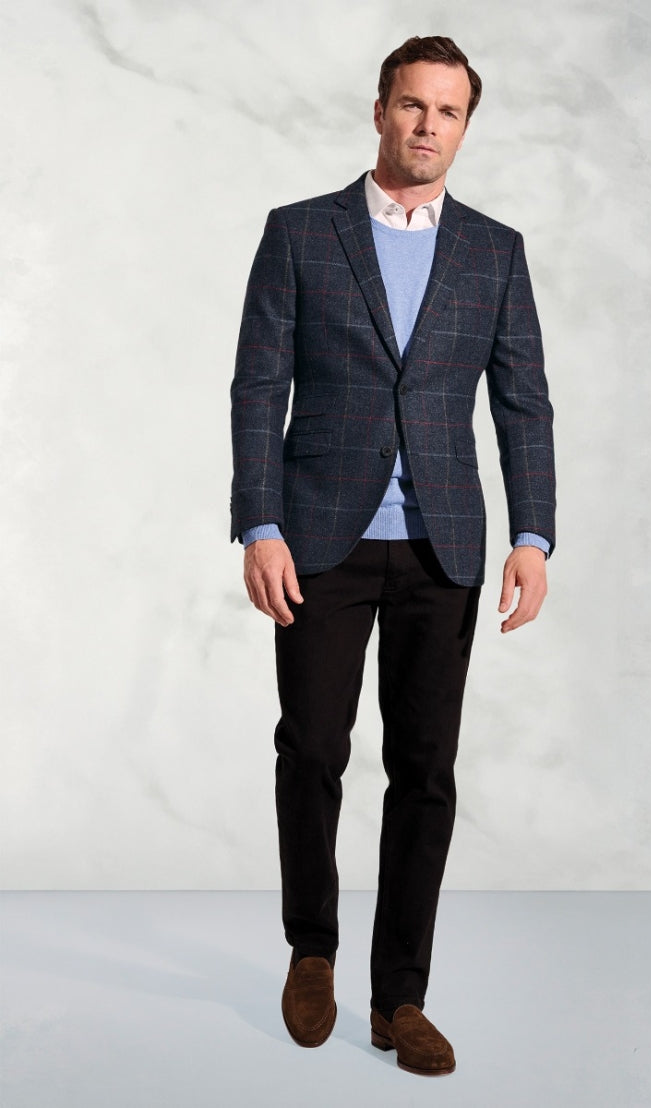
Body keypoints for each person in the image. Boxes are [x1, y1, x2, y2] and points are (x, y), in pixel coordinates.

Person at [230, 35, 555, 1077]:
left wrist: (533, 537)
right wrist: (259, 523)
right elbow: (257, 387)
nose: (427, 126)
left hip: (441, 545)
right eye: (412, 105)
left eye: (447, 111)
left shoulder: (493, 251)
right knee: (311, 751)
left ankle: (399, 998)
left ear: (464, 126)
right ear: (379, 111)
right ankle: (311, 951)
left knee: (424, 772)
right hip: (318, 537)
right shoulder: (300, 232)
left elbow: (522, 403)